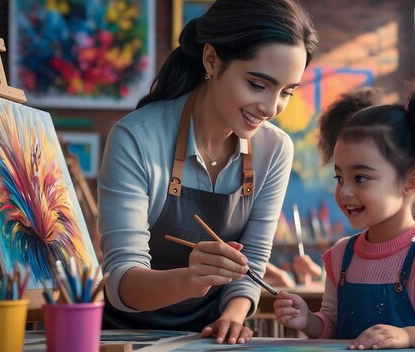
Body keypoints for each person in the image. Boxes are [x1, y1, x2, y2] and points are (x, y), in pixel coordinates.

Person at [97, 0, 317, 345]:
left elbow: (253, 262)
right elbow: (121, 281)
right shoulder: (136, 138)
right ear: (212, 60)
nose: (272, 108)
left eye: (287, 92)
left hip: (208, 338)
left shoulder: (274, 150)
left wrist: (231, 318)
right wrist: (192, 279)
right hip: (127, 336)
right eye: (258, 85)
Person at [273, 84, 415, 349]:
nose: (345, 191)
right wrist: (308, 320)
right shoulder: (341, 256)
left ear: (410, 183)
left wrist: (407, 336)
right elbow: (332, 325)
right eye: (339, 177)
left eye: (361, 178)